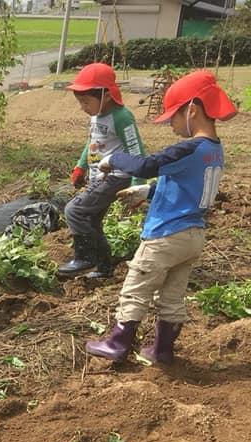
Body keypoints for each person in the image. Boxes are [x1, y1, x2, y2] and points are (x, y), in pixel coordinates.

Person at [86, 70, 236, 365]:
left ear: (192, 109)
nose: (171, 125)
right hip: (193, 236)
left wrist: (113, 158)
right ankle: (162, 350)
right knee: (172, 296)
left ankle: (117, 344)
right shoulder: (214, 151)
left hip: (166, 235)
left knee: (136, 287)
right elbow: (186, 186)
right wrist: (148, 192)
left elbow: (147, 164)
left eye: (174, 118)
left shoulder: (189, 147)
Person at [60, 62, 146, 280]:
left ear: (106, 95)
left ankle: (85, 256)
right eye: (80, 102)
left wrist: (137, 185)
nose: (83, 106)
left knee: (74, 211)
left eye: (86, 101)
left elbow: (136, 149)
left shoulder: (122, 117)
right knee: (91, 221)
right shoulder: (96, 115)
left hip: (116, 176)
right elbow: (91, 144)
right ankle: (104, 269)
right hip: (99, 176)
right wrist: (80, 166)